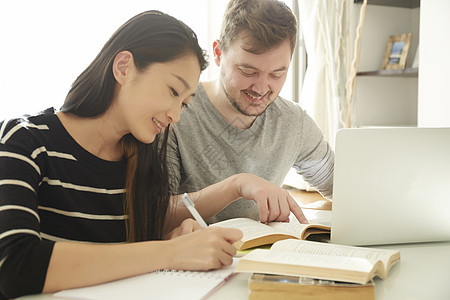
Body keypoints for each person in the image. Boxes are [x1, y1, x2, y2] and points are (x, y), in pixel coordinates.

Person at [0, 10, 305, 299]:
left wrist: (174, 237)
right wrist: (170, 252)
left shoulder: (140, 156)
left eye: (185, 103)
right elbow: (15, 264)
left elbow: (140, 231)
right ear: (123, 67)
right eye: (173, 91)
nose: (175, 115)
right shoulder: (25, 140)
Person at [166, 0, 334, 224]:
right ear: (218, 53)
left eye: (276, 74)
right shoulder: (174, 113)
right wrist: (236, 186)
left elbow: (341, 187)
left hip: (263, 255)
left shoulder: (293, 122)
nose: (261, 88)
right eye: (248, 71)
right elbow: (154, 213)